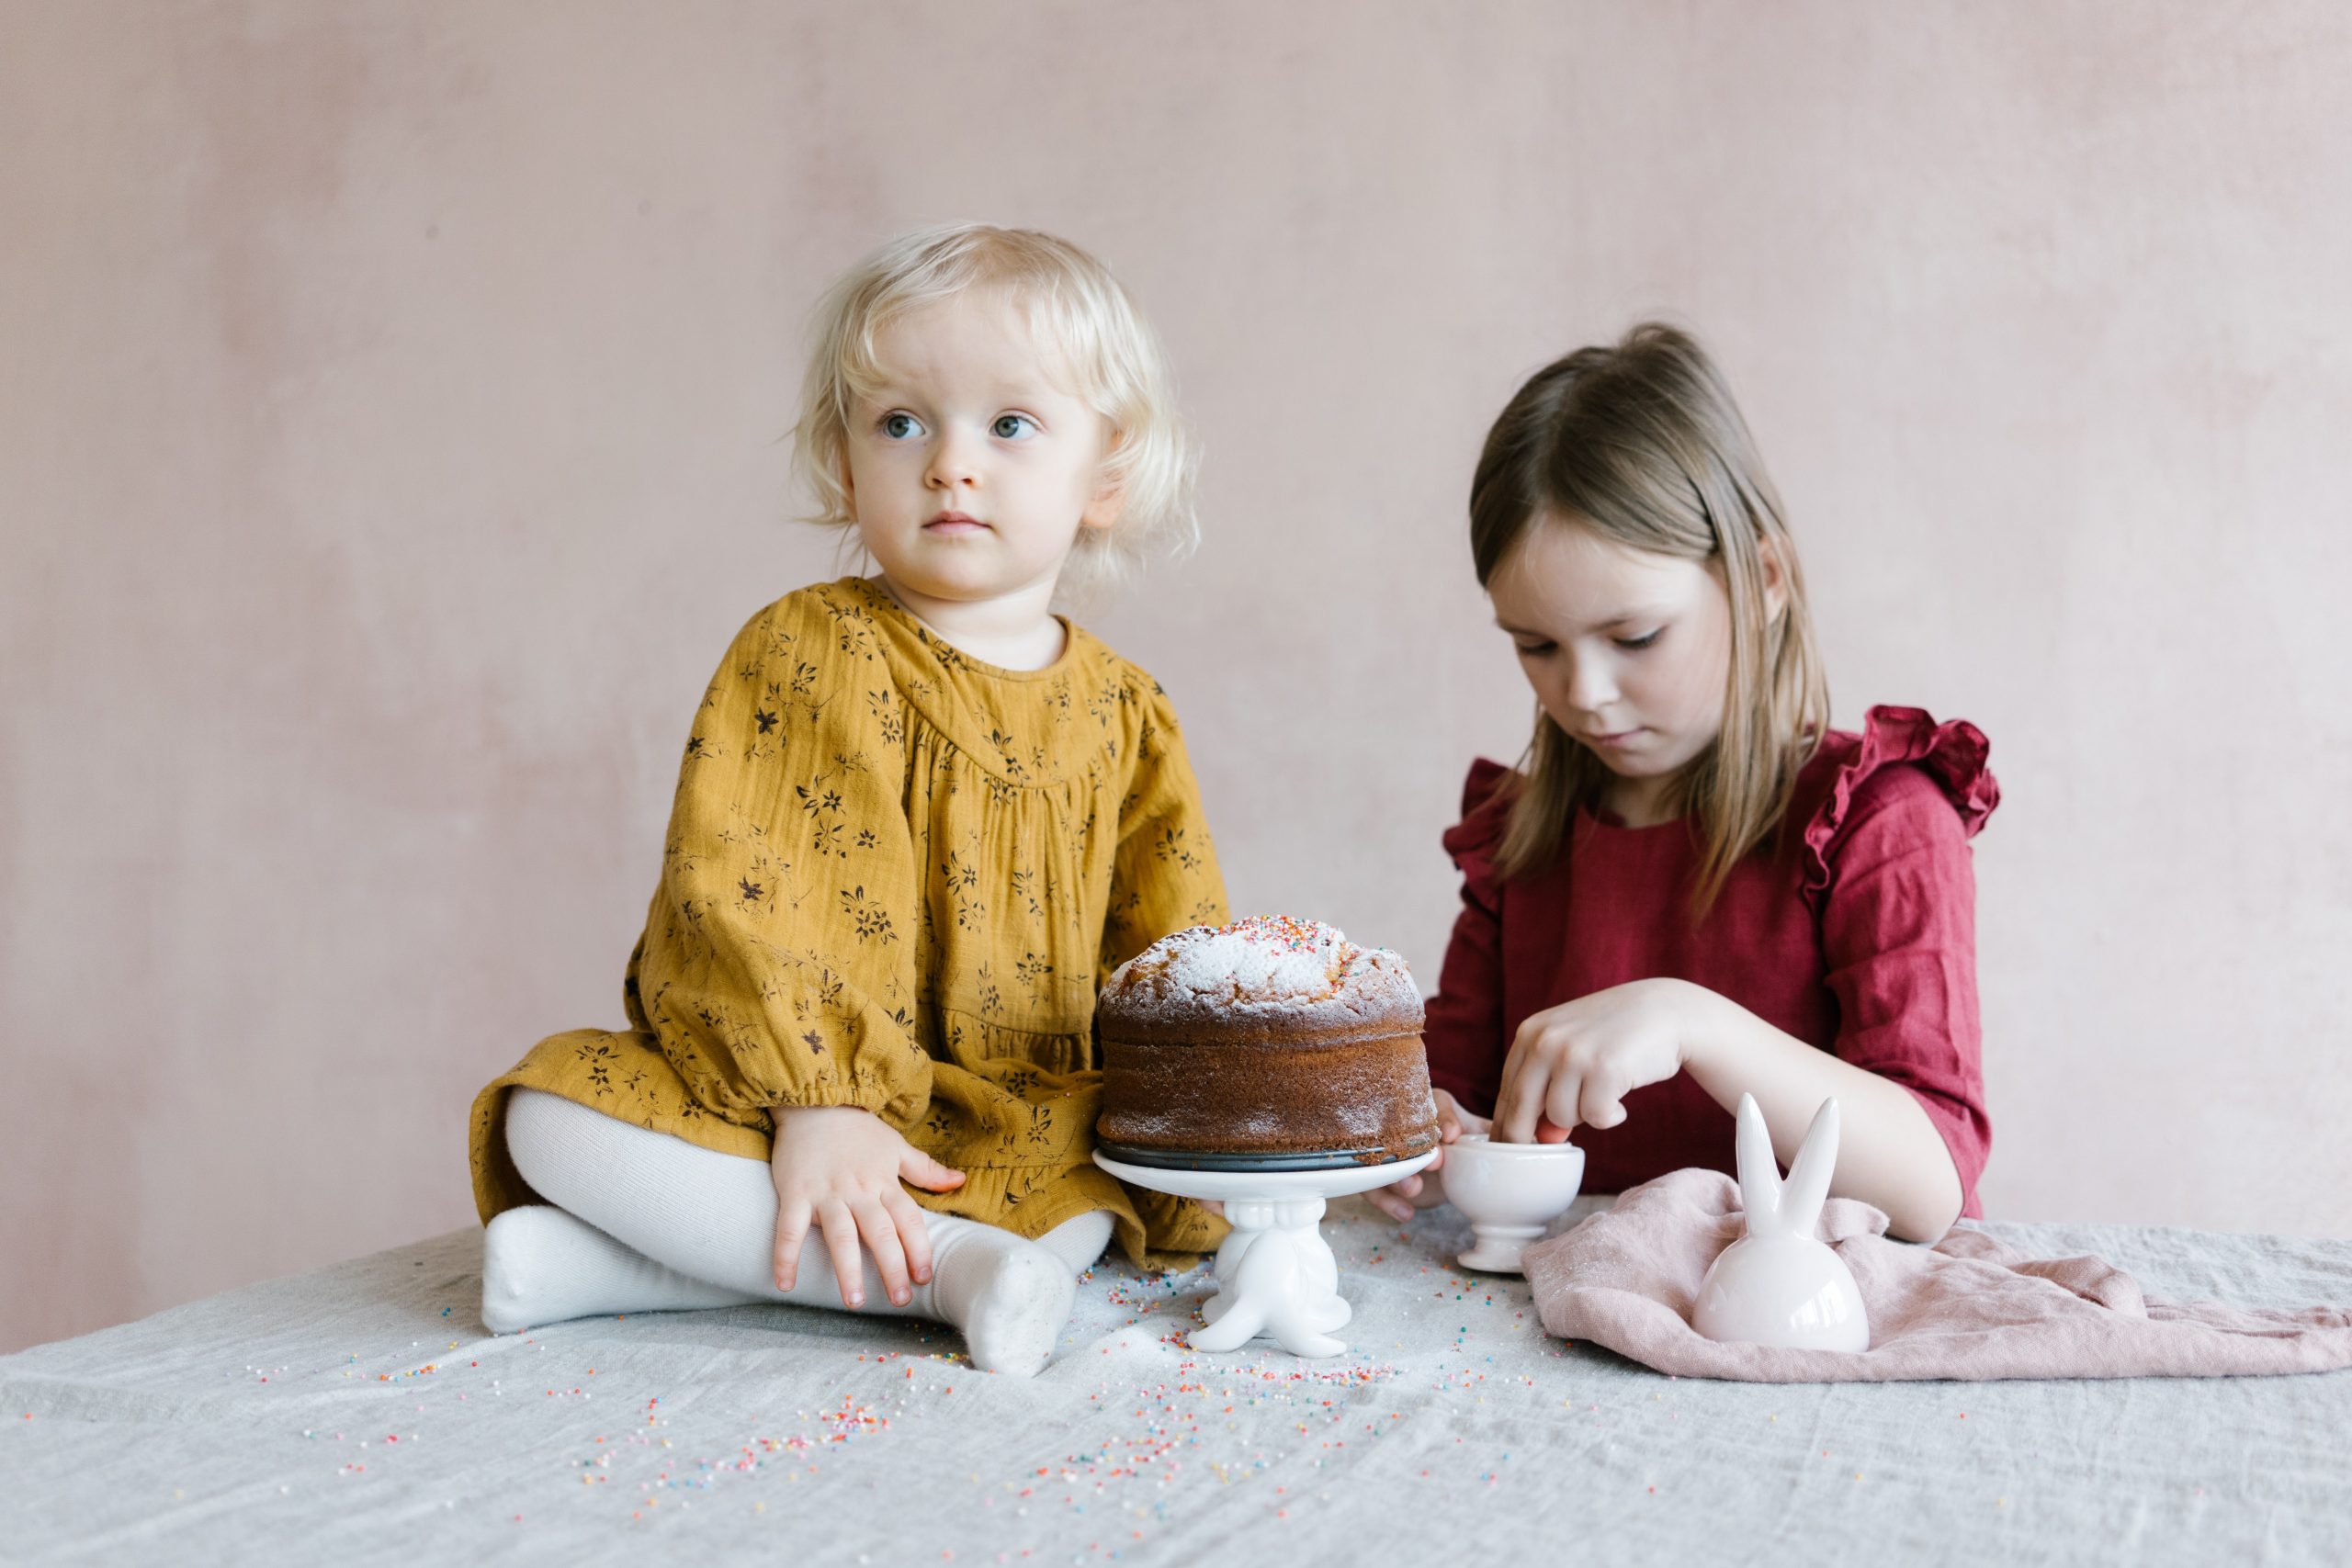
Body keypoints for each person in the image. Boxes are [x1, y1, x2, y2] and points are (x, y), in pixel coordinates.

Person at [467, 223, 1229, 1374]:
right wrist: (819, 1104)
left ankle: (628, 1271)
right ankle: (942, 1280)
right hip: (783, 1094)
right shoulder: (808, 649)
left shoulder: (1128, 710)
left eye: (1009, 426)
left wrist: (1230, 1117)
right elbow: (744, 886)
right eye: (900, 423)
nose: (949, 464)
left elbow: (1174, 943)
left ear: (1106, 476)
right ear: (842, 462)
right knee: (550, 1110)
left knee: (1083, 1199)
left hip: (1005, 1125)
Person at [1369, 323, 1996, 1243]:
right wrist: (1422, 1136)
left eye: (1633, 638)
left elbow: (1931, 1180)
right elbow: (1451, 1101)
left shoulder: (1881, 822)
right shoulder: (1524, 842)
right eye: (1535, 645)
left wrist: (1689, 1021)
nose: (1580, 693)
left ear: (1764, 577)